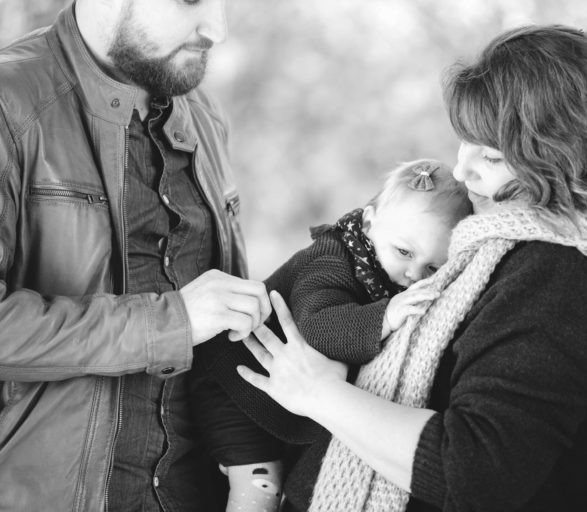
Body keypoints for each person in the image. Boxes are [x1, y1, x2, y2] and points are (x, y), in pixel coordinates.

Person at [236, 25, 587, 512]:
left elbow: (474, 472)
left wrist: (318, 395)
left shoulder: (557, 278)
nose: (461, 172)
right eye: (465, 143)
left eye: (491, 156)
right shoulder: (503, 253)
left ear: (561, 160)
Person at [0, 1, 272, 511]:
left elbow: (229, 342)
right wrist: (169, 323)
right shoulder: (8, 103)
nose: (218, 28)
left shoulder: (206, 117)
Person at [190, 159, 473, 512]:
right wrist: (385, 316)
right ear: (370, 222)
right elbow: (320, 328)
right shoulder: (332, 259)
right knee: (261, 483)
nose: (414, 273)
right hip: (233, 384)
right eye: (404, 252)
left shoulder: (381, 264)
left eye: (433, 267)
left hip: (279, 388)